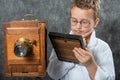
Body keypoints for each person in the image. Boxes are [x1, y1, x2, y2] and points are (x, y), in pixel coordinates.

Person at [47, 0, 115, 80]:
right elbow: (53, 74)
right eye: (74, 21)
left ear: (95, 23)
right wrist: (70, 53)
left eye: (84, 22)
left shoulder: (103, 48)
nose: (78, 26)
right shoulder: (60, 43)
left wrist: (90, 64)